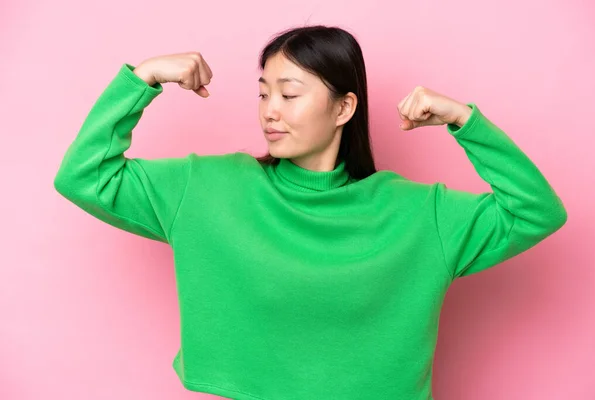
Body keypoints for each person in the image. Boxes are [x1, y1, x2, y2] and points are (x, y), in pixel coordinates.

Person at [53, 24, 567, 400]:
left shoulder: (417, 213)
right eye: (263, 94)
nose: (269, 110)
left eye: (289, 94)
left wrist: (464, 120)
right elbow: (84, 175)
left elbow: (535, 212)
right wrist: (143, 79)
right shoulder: (206, 186)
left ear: (344, 108)